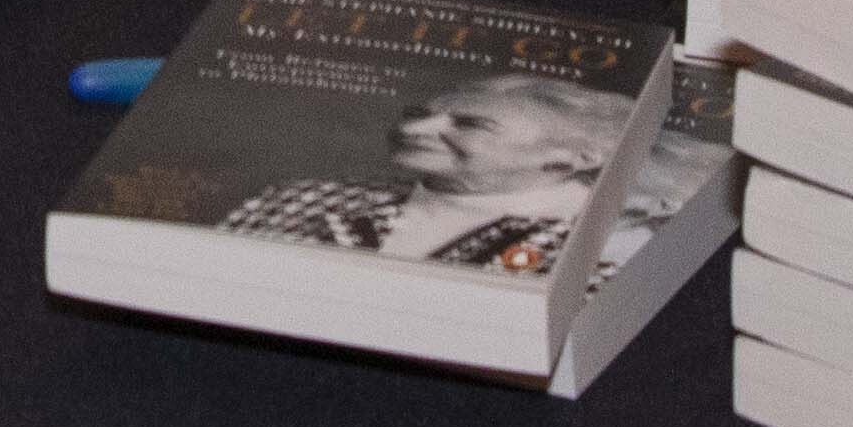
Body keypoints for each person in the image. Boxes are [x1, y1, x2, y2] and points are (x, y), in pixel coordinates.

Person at [219, 70, 630, 266]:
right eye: (418, 114)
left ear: (573, 157)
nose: (414, 129)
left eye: (470, 123)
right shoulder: (304, 196)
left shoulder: (612, 241)